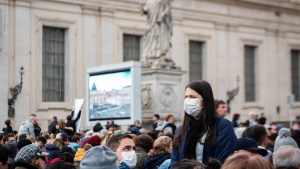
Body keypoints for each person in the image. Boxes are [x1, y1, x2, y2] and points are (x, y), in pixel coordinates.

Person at [171, 80, 237, 166]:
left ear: (205, 100)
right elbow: (174, 162)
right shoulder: (181, 130)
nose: (188, 100)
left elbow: (224, 159)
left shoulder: (222, 125)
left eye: (192, 97)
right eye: (186, 97)